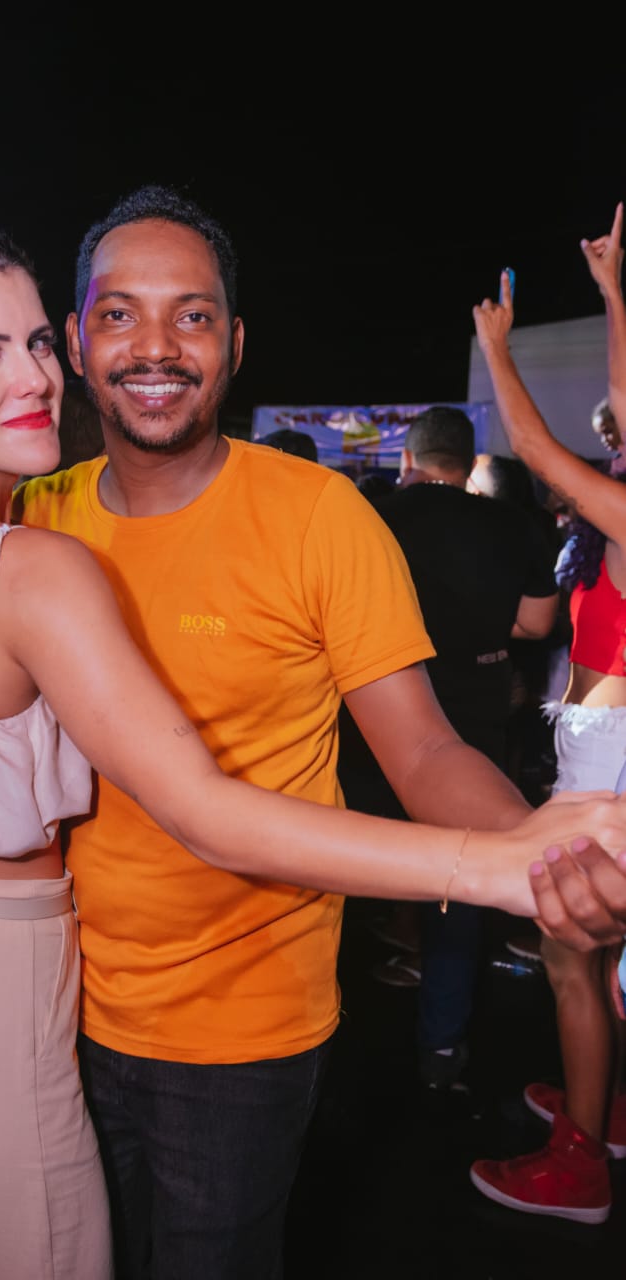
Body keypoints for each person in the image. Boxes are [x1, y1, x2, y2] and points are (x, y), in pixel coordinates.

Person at [0, 195, 626, 1280]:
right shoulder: (26, 515)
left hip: (238, 1035)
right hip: (44, 1009)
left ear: (235, 343)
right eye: (118, 314)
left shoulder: (318, 515)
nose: (156, 345)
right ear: (76, 343)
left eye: (193, 315)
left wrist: (542, 853)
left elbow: (424, 751)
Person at [468, 203, 626, 1225]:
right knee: (601, 952)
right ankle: (599, 1103)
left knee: (572, 953)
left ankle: (580, 1162)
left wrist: (496, 346)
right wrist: (612, 294)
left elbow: (527, 443)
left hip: (608, 759)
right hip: (606, 745)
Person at [369, 408, 558, 1090]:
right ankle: (441, 1049)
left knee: (346, 864)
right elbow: (535, 622)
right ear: (470, 460)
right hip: (470, 721)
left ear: (409, 459)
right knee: (458, 878)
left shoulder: (374, 514)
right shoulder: (509, 523)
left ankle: (326, 1033)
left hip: (374, 717)